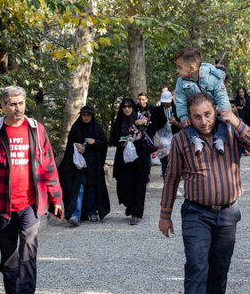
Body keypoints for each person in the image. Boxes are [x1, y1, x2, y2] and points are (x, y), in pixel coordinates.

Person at [159, 92, 250, 294]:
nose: (204, 121)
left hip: (228, 213)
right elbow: (172, 178)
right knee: (197, 267)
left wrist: (237, 122)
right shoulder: (181, 141)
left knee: (219, 269)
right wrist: (165, 214)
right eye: (197, 117)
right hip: (196, 213)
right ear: (189, 116)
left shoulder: (231, 133)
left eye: (207, 114)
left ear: (216, 111)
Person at [0, 86, 63, 294]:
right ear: (3, 106)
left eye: (21, 103)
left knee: (29, 250)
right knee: (10, 253)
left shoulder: (37, 130)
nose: (18, 108)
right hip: (3, 205)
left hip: (31, 204)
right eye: (12, 104)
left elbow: (49, 166)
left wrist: (56, 198)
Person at [59, 105, 110, 227]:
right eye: (84, 115)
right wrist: (75, 145)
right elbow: (70, 143)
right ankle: (76, 215)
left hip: (93, 165)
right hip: (79, 166)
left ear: (92, 116)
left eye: (88, 115)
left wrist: (94, 142)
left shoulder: (96, 127)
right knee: (79, 189)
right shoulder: (76, 127)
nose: (86, 117)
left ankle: (92, 211)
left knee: (92, 189)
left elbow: (104, 143)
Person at [174, 47, 231, 153]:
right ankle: (195, 140)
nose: (178, 70)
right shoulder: (181, 82)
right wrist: (183, 116)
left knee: (226, 122)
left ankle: (220, 139)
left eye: (179, 67)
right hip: (194, 115)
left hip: (214, 112)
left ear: (191, 68)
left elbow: (221, 95)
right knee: (185, 124)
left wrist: (224, 110)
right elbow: (180, 101)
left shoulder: (212, 77)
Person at [110, 98, 150, 226]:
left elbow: (153, 129)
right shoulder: (119, 121)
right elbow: (112, 139)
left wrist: (144, 123)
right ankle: (130, 204)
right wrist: (123, 141)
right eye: (124, 106)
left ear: (133, 108)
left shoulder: (140, 119)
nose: (126, 109)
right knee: (124, 184)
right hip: (123, 157)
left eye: (129, 106)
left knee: (139, 183)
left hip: (139, 156)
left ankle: (136, 213)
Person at [146, 90, 180, 179]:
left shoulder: (176, 109)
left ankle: (174, 184)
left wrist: (175, 122)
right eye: (164, 103)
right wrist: (157, 136)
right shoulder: (157, 110)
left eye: (168, 103)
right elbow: (152, 125)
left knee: (174, 163)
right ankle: (166, 183)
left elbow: (182, 125)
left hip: (174, 140)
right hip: (160, 140)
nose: (166, 104)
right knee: (164, 163)